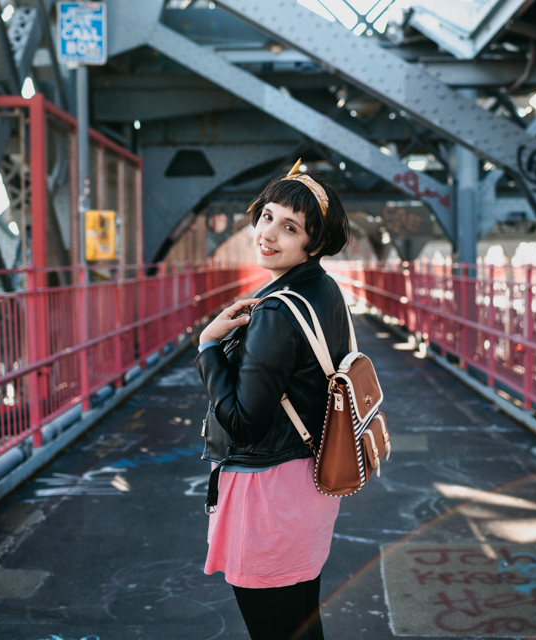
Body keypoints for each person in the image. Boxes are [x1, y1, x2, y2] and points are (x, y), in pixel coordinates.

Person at [194, 160, 353, 640]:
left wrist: (207, 347)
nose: (268, 234)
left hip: (268, 499)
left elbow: (244, 423)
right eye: (266, 216)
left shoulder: (276, 313)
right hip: (308, 483)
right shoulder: (325, 291)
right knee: (302, 625)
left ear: (315, 242)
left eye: (290, 227)